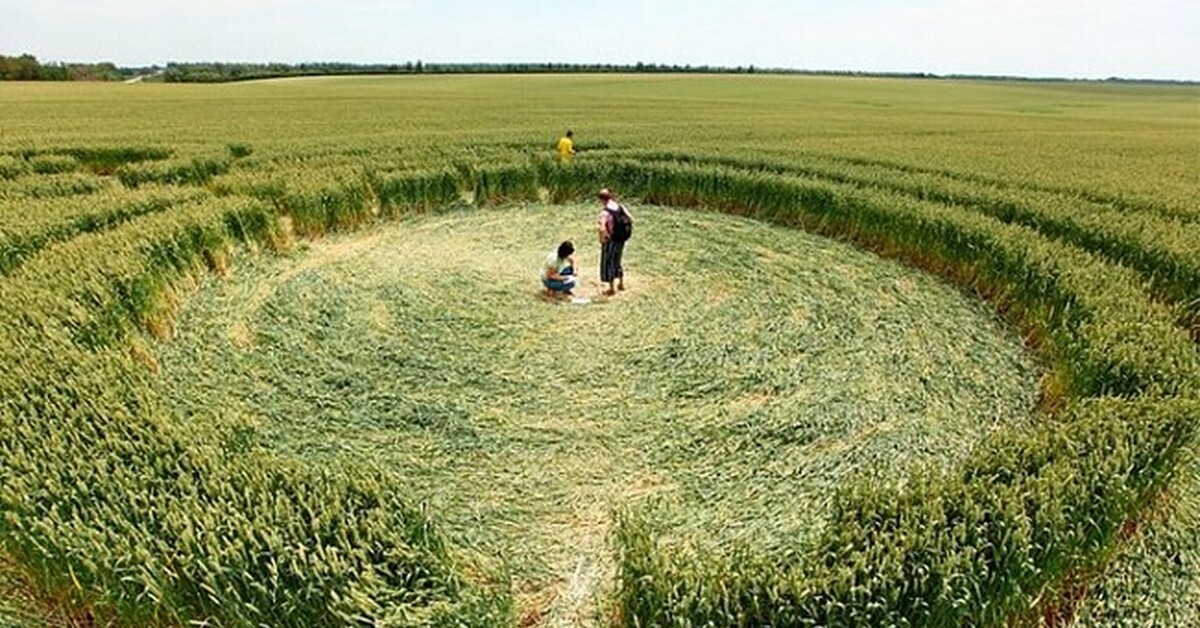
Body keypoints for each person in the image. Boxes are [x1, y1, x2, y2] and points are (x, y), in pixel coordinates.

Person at [597, 188, 632, 296]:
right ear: (610, 196)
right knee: (617, 260)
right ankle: (621, 284)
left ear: (601, 200)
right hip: (621, 239)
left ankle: (612, 289)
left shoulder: (605, 213)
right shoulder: (619, 206)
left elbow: (602, 228)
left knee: (609, 262)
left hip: (611, 240)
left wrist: (602, 239)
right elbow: (630, 218)